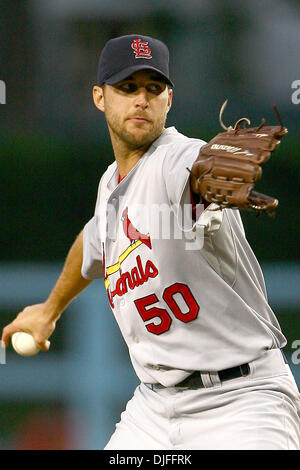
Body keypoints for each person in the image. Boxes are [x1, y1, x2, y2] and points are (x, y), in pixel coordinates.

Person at [2, 34, 300, 450]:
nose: (141, 99)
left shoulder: (176, 160)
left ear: (169, 100)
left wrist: (206, 179)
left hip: (242, 401)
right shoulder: (111, 185)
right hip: (155, 409)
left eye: (153, 88)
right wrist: (50, 310)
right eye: (127, 87)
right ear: (99, 97)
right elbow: (92, 244)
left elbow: (192, 172)